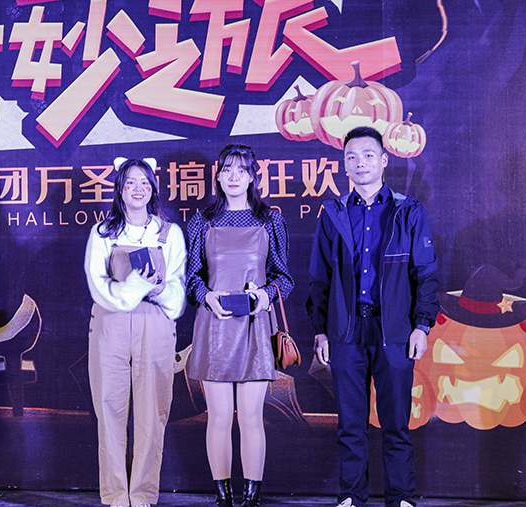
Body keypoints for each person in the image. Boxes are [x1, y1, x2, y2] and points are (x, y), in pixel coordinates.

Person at [306, 127, 439, 507]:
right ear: (344, 165)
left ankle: (401, 497)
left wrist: (421, 325)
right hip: (345, 331)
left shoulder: (408, 211)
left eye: (367, 155)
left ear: (383, 160)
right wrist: (321, 331)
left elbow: (426, 273)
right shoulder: (333, 213)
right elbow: (319, 277)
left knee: (396, 423)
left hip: (394, 330)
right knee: (351, 424)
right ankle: (351, 496)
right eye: (351, 156)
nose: (359, 162)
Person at [186, 144, 294, 507]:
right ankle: (223, 496)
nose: (233, 176)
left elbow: (284, 278)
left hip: (255, 327)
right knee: (218, 417)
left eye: (241, 170)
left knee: (251, 417)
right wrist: (208, 296)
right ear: (217, 176)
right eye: (227, 170)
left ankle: (251, 497)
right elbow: (191, 278)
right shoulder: (202, 221)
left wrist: (264, 295)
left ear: (252, 177)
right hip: (214, 327)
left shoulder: (270, 220)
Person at [84, 157, 187, 507]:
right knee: (109, 408)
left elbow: (178, 289)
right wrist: (134, 288)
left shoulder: (170, 233)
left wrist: (157, 290)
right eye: (130, 182)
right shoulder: (103, 233)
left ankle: (142, 494)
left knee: (152, 412)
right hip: (110, 323)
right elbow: (98, 285)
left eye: (145, 182)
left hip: (155, 323)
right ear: (120, 190)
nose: (138, 188)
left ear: (153, 189)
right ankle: (115, 494)